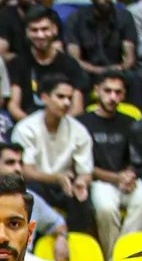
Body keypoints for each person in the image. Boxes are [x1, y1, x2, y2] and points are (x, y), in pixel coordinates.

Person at [16, 70, 96, 233]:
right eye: (60, 97)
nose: (66, 103)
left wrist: (81, 182)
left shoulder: (79, 130)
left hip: (66, 185)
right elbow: (26, 172)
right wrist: (56, 178)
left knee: (82, 198)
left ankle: (77, 243)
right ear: (44, 97)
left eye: (69, 98)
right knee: (27, 193)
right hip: (37, 184)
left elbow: (86, 172)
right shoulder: (26, 128)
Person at [84, 70, 142, 254]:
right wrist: (116, 178)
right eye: (108, 91)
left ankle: (124, 255)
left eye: (118, 92)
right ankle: (113, 258)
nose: (113, 97)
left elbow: (137, 157)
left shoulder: (131, 122)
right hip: (99, 181)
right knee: (106, 208)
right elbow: (85, 166)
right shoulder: (83, 122)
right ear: (97, 90)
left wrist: (129, 175)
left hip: (127, 181)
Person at [0, 138, 71, 261]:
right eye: (10, 163)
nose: (17, 168)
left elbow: (58, 222)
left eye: (20, 163)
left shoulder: (30, 199)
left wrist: (61, 238)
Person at [8, 7, 86, 120]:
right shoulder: (17, 63)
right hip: (28, 124)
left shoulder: (70, 64)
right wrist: (33, 126)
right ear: (27, 32)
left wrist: (58, 126)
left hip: (63, 124)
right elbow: (14, 105)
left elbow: (77, 108)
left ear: (54, 29)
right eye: (34, 30)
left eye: (45, 29)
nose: (40, 35)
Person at [66, 0, 137, 88]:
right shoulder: (76, 18)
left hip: (117, 70)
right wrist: (99, 71)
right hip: (88, 71)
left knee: (133, 77)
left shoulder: (124, 16)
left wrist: (121, 68)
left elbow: (129, 56)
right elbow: (74, 59)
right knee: (78, 77)